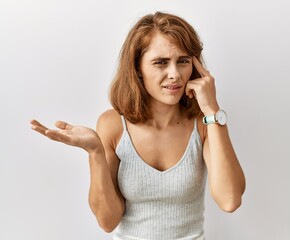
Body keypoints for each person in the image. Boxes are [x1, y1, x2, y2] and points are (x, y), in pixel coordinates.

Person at [30, 11, 246, 240]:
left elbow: (230, 200)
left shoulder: (203, 124)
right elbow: (108, 221)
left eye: (182, 61)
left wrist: (212, 112)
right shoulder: (113, 125)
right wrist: (95, 153)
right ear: (137, 69)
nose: (175, 74)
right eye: (160, 62)